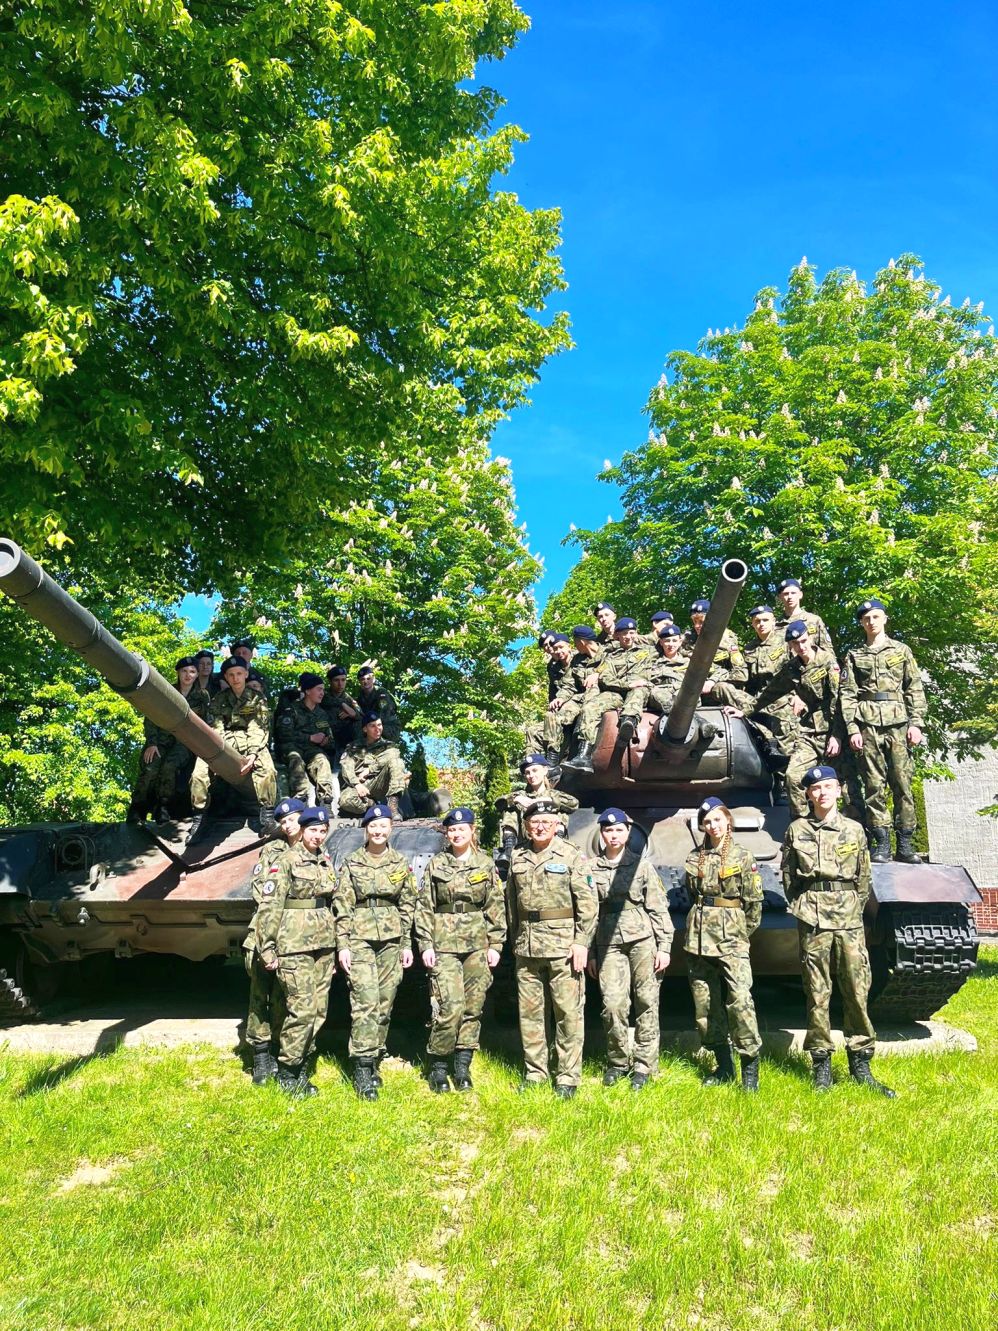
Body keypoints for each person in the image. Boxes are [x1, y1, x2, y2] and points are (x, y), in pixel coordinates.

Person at [783, 765, 894, 1096]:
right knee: (817, 992)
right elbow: (789, 876)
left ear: (838, 790)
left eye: (828, 787)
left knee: (857, 990)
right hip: (813, 917)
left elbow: (863, 877)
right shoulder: (797, 830)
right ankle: (821, 1065)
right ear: (808, 794)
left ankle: (861, 1062)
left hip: (848, 917)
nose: (822, 793)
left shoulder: (854, 830)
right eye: (815, 789)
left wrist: (852, 907)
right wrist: (806, 905)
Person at [506, 799, 597, 1099]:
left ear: (557, 825)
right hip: (527, 946)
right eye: (534, 822)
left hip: (563, 947)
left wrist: (581, 942)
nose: (540, 827)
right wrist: (516, 940)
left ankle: (568, 1077)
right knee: (530, 1015)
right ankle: (535, 1073)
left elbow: (588, 904)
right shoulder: (518, 856)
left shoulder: (571, 855)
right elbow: (511, 904)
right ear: (526, 826)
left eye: (546, 822)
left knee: (567, 1013)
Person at [415, 807, 506, 1092]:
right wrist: (425, 944)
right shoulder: (437, 864)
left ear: (472, 831)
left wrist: (496, 944)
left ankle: (462, 1066)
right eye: (452, 830)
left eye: (461, 829)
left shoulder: (485, 864)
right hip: (443, 944)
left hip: (477, 944)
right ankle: (438, 1066)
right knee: (450, 1006)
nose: (456, 834)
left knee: (472, 1007)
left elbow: (495, 906)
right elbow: (425, 906)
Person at [335, 803, 417, 1100]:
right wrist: (343, 944)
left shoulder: (400, 862)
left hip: (391, 939)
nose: (378, 831)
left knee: (385, 1001)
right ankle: (362, 1065)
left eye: (383, 826)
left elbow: (408, 905)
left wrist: (406, 944)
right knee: (365, 1001)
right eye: (373, 826)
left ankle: (375, 1057)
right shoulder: (352, 862)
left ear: (390, 829)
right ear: (366, 829)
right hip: (360, 937)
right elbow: (342, 905)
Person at [254, 805, 337, 1096]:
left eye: (322, 831)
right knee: (301, 1009)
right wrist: (267, 947)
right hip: (294, 944)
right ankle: (288, 1072)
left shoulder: (325, 860)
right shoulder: (286, 860)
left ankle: (303, 1067)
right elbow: (270, 906)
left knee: (319, 1010)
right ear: (302, 831)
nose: (318, 835)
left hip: (323, 945)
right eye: (313, 830)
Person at [587, 808, 673, 1090]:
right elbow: (587, 913)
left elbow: (658, 907)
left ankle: (645, 1066)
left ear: (627, 833)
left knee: (647, 1001)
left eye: (619, 830)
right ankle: (618, 1062)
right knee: (613, 1004)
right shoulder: (590, 869)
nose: (614, 835)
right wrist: (590, 952)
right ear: (602, 834)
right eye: (608, 830)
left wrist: (664, 946)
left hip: (642, 940)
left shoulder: (642, 866)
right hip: (607, 942)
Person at [683, 796, 763, 1091]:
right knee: (705, 1004)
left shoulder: (743, 856)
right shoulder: (694, 857)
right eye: (707, 822)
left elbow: (753, 904)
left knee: (740, 1000)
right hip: (698, 938)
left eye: (717, 819)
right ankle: (724, 1067)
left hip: (732, 938)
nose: (713, 825)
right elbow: (692, 894)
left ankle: (749, 1069)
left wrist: (740, 933)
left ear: (728, 821)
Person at [839, 598, 926, 864]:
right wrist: (852, 729)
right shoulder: (854, 655)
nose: (871, 622)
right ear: (861, 623)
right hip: (867, 725)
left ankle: (906, 843)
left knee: (902, 782)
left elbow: (914, 688)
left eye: (875, 616)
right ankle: (882, 843)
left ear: (885, 619)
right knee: (873, 785)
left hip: (898, 723)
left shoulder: (901, 650)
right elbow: (847, 694)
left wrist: (916, 723)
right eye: (866, 618)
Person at [731, 621, 843, 818]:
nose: (801, 646)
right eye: (796, 643)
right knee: (793, 777)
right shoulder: (792, 668)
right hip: (810, 731)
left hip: (834, 728)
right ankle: (802, 824)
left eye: (803, 641)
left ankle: (856, 829)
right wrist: (745, 711)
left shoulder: (828, 661)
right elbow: (770, 693)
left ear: (810, 638)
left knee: (846, 785)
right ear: (790, 646)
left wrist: (837, 735)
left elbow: (839, 700)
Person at [242, 797, 305, 1085]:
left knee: (285, 997)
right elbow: (261, 890)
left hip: (296, 937)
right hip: (265, 930)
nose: (288, 825)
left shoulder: (315, 849)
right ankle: (260, 1055)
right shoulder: (272, 850)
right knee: (260, 994)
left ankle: (282, 1051)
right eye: (283, 821)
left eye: (292, 819)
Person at [189, 656, 278, 818]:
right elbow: (216, 727)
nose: (235, 678)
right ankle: (199, 815)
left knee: (267, 770)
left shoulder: (257, 698)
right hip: (223, 741)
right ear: (226, 677)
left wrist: (253, 753)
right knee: (198, 774)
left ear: (246, 674)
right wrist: (217, 753)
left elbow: (258, 727)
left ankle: (268, 814)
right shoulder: (219, 699)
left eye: (239, 673)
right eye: (231, 675)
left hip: (252, 740)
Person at [127, 655, 211, 822]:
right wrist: (152, 743)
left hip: (184, 742)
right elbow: (151, 717)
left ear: (197, 674)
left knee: (170, 767)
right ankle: (138, 808)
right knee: (151, 768)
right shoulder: (166, 692)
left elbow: (206, 722)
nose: (188, 675)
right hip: (161, 740)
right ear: (178, 672)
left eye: (192, 671)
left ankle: (163, 807)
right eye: (184, 671)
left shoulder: (202, 696)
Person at [564, 618, 654, 772]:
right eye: (624, 633)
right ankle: (583, 755)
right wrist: (628, 684)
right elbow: (606, 678)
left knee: (638, 691)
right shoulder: (611, 656)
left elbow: (671, 649)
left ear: (636, 633)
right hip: (617, 693)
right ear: (617, 636)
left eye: (631, 633)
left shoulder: (649, 651)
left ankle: (627, 725)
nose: (628, 636)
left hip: (641, 691)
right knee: (590, 707)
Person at [495, 754, 579, 877]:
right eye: (527, 773)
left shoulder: (554, 794)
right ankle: (508, 849)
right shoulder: (522, 795)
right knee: (511, 809)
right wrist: (516, 799)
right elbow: (499, 803)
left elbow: (574, 803)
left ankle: (558, 841)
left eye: (535, 770)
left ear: (545, 770)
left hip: (551, 840)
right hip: (526, 839)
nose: (531, 775)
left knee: (561, 811)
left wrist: (549, 800)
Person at [275, 672, 335, 807]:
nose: (322, 693)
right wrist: (310, 738)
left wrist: (326, 741)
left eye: (323, 690)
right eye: (319, 689)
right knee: (295, 759)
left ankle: (325, 801)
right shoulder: (291, 710)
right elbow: (284, 735)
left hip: (312, 751)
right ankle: (300, 799)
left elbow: (330, 739)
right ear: (307, 691)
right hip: (292, 748)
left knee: (322, 760)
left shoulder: (322, 713)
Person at [338, 713, 408, 821]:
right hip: (360, 784)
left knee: (397, 762)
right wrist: (357, 784)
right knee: (346, 800)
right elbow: (347, 767)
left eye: (379, 725)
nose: (377, 729)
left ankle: (393, 807)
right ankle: (372, 805)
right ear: (365, 729)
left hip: (380, 782)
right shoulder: (354, 747)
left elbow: (393, 755)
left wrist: (370, 770)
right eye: (373, 726)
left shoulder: (388, 746)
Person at [525, 634, 573, 752]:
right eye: (545, 646)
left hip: (576, 700)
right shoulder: (553, 667)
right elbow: (553, 690)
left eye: (550, 644)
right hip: (561, 704)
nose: (549, 648)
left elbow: (572, 686)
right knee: (532, 731)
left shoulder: (577, 658)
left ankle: (554, 754)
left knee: (554, 718)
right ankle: (534, 761)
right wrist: (553, 705)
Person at [682, 598, 747, 685]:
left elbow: (741, 673)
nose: (697, 626)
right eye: (695, 621)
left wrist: (715, 682)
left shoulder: (727, 639)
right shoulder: (688, 640)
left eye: (701, 622)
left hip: (721, 684)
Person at [774, 578, 834, 654]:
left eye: (793, 593)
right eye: (786, 594)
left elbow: (828, 652)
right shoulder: (775, 626)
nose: (790, 597)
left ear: (800, 595)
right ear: (780, 597)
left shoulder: (814, 620)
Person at [355, 666, 401, 742]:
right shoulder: (360, 698)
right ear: (359, 682)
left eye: (368, 679)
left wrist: (357, 715)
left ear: (373, 679)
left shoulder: (382, 694)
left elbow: (380, 717)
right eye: (362, 679)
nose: (365, 681)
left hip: (389, 728)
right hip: (373, 727)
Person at [325, 665, 361, 752]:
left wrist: (352, 714)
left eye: (343, 680)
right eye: (336, 680)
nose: (340, 684)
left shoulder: (349, 698)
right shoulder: (322, 694)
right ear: (330, 681)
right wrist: (342, 704)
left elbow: (360, 715)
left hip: (345, 738)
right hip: (326, 737)